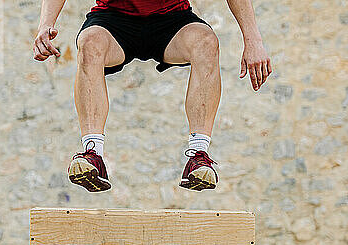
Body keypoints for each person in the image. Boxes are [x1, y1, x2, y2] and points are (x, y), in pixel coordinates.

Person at [33, 0, 271, 192]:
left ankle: (199, 155)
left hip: (172, 20)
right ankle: (92, 153)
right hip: (113, 20)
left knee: (206, 42)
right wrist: (45, 24)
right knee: (89, 41)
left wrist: (254, 42)